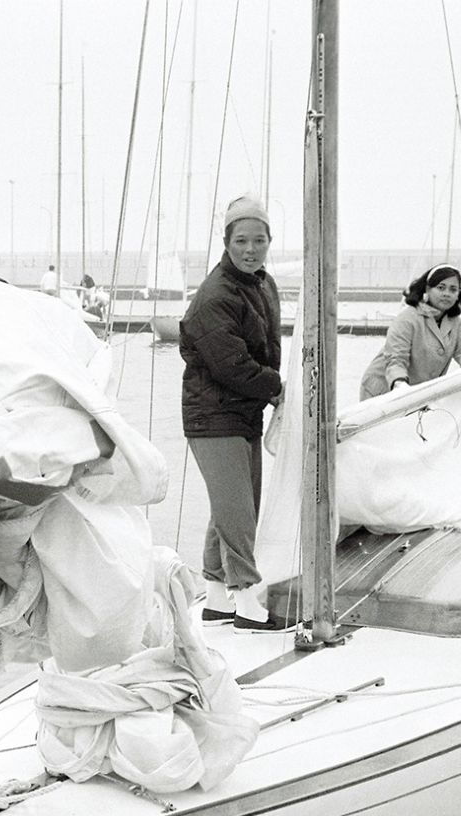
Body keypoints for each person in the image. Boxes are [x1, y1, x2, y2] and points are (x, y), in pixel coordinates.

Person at [178, 195, 285, 631]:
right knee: (238, 513)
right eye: (241, 240)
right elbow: (231, 364)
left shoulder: (261, 284)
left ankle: (218, 598)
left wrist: (270, 387)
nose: (250, 249)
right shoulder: (216, 295)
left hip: (242, 414)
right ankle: (248, 601)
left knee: (231, 508)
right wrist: (277, 387)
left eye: (259, 240)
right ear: (226, 242)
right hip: (213, 417)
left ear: (269, 242)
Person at [359, 263, 461, 487]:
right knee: (383, 453)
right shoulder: (408, 318)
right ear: (427, 289)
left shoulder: (455, 322)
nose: (447, 294)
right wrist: (399, 384)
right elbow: (396, 358)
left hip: (419, 393)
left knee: (412, 452)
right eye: (441, 287)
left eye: (453, 289)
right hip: (384, 388)